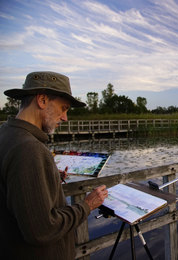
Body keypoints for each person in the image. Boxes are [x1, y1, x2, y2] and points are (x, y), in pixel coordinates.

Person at [0, 71, 109, 259]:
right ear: (42, 100)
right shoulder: (29, 149)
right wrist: (87, 205)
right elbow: (42, 231)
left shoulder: (6, 134)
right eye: (63, 108)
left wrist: (49, 176)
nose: (65, 118)